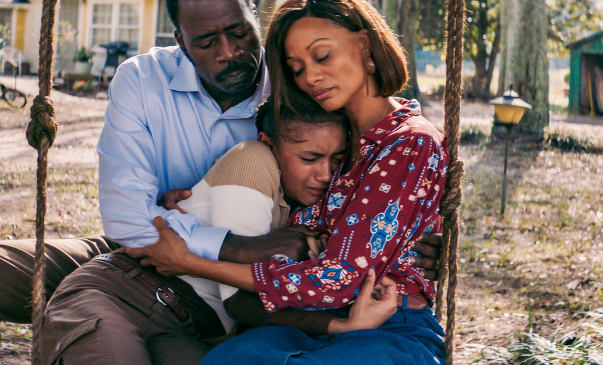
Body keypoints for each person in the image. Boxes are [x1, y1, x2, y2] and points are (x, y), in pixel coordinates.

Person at [128, 0, 448, 364]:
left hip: (387, 324)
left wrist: (191, 261)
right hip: (306, 322)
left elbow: (339, 276)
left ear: (364, 45)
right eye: (297, 68)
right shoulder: (330, 140)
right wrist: (196, 205)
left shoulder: (410, 142)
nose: (310, 76)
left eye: (322, 56)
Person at [38, 97, 398, 365]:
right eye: (310, 158)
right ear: (268, 143)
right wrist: (340, 325)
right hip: (121, 294)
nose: (325, 174)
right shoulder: (253, 160)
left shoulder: (320, 200)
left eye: (337, 159)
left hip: (188, 326)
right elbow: (240, 302)